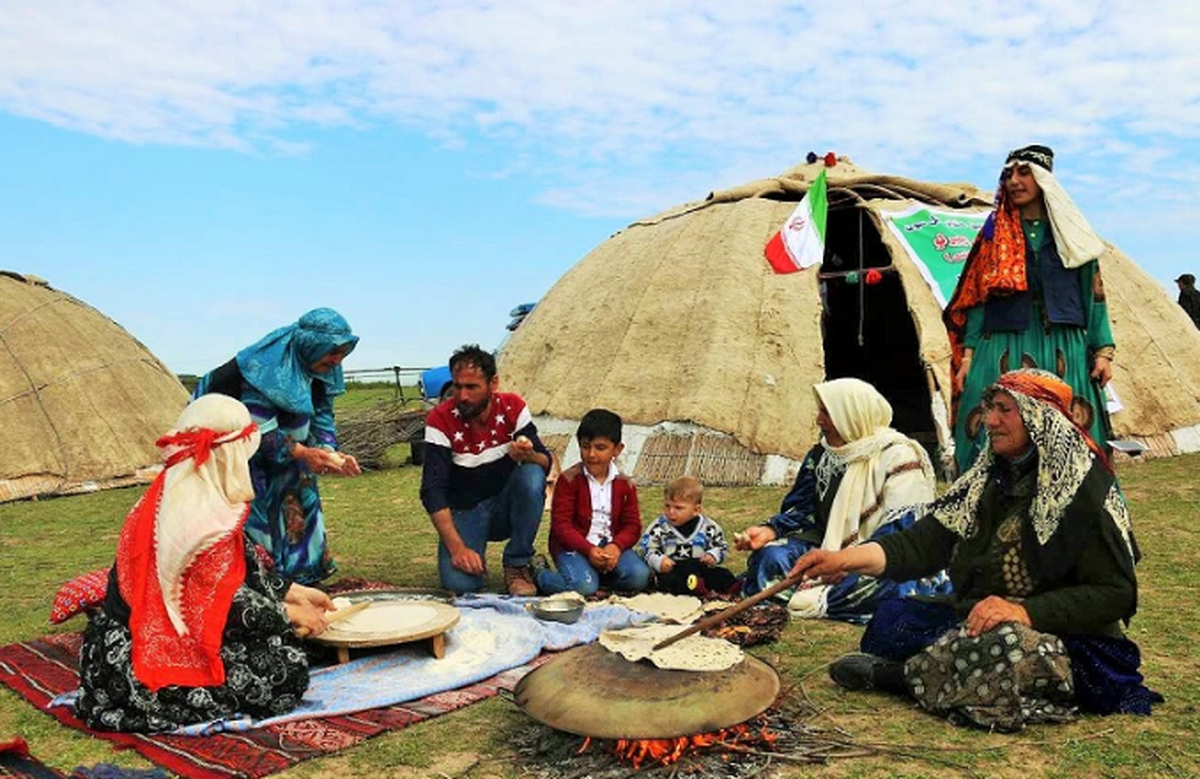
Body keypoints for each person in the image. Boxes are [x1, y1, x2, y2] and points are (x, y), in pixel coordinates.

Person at [793, 369, 1160, 732]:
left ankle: (898, 677)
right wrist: (844, 559)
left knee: (1004, 645)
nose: (990, 421)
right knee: (894, 617)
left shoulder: (1083, 495)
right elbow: (921, 544)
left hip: (1071, 641)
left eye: (1005, 410)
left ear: (1040, 418)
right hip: (983, 617)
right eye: (989, 409)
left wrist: (1023, 612)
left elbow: (1116, 594)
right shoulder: (986, 481)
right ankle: (947, 672)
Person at [77, 394, 335, 733]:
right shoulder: (193, 517)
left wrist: (292, 591)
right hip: (136, 658)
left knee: (278, 642)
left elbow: (237, 569)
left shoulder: (186, 491)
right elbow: (221, 601)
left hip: (133, 638)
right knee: (286, 668)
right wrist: (287, 614)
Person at [945, 144, 1115, 475]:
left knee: (1071, 431)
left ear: (1043, 179)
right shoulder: (993, 234)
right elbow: (978, 298)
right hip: (1001, 345)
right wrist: (967, 357)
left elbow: (1093, 294)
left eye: (1024, 173)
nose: (1014, 181)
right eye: (1008, 174)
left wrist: (1103, 351)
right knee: (991, 425)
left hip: (1064, 346)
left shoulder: (1071, 233)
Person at [736, 378, 945, 623]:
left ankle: (802, 597)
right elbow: (803, 511)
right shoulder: (821, 456)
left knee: (895, 585)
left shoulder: (898, 456)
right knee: (770, 557)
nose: (818, 420)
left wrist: (849, 561)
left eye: (827, 413)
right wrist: (771, 531)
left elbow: (905, 528)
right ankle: (811, 594)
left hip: (879, 557)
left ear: (851, 415)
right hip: (826, 549)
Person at [193, 308, 361, 584]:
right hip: (240, 459)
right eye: (333, 352)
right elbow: (255, 431)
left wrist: (329, 452)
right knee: (259, 522)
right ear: (312, 344)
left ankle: (303, 579)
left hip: (291, 457)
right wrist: (304, 452)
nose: (337, 360)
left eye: (343, 354)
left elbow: (322, 415)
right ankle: (268, 585)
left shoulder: (322, 369)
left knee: (300, 506)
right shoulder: (263, 369)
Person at [420, 344, 552, 595]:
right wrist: (457, 549)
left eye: (472, 387)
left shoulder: (512, 407)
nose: (462, 396)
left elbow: (545, 462)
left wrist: (528, 455)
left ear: (493, 383)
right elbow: (432, 491)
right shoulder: (440, 419)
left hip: (506, 506)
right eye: (457, 386)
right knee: (460, 585)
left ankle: (517, 562)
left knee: (532, 474)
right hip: (466, 507)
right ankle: (470, 551)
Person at [534, 408, 650, 596]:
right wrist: (589, 550)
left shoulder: (625, 484)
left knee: (639, 576)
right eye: (585, 446)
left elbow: (633, 526)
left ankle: (599, 578)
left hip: (609, 546)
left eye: (600, 448)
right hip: (574, 547)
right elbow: (561, 526)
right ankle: (540, 574)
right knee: (584, 587)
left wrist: (616, 546)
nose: (591, 454)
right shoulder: (569, 480)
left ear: (617, 449)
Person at [638, 476, 736, 596]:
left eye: (678, 508)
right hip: (674, 569)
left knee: (723, 575)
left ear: (696, 510)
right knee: (669, 581)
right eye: (667, 506)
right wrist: (658, 561)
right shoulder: (659, 527)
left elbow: (722, 547)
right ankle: (696, 588)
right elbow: (645, 549)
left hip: (700, 567)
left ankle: (731, 588)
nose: (671, 512)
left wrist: (713, 555)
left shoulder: (709, 527)